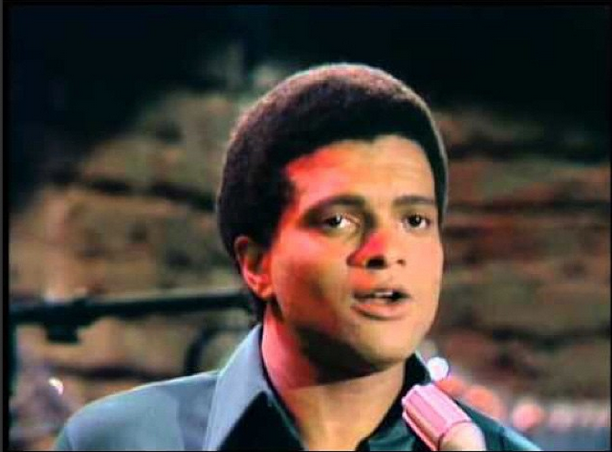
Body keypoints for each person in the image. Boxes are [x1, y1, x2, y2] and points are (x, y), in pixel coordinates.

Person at [54, 63, 540, 450]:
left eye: (414, 220)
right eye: (339, 221)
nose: (387, 252)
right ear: (256, 264)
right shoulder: (119, 441)